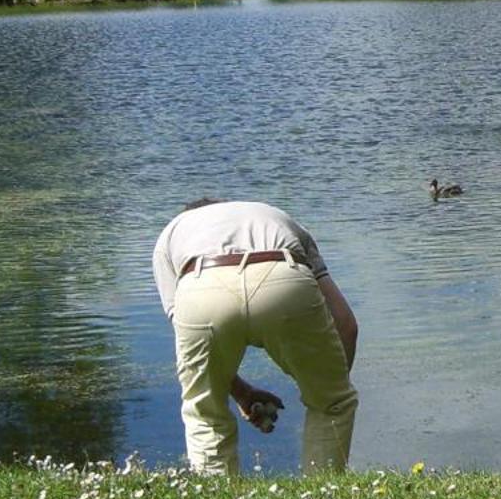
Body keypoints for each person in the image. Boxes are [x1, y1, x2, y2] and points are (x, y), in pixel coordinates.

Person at [151, 199, 359, 474]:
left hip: (200, 282)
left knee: (206, 416)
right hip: (282, 274)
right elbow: (346, 324)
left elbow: (195, 345)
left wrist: (237, 391)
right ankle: (322, 498)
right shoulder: (277, 217)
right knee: (332, 404)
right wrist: (325, 386)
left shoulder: (171, 234)